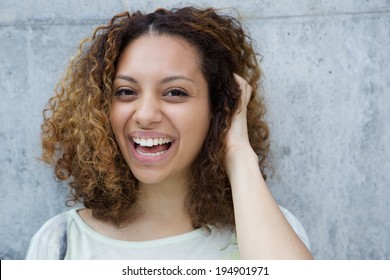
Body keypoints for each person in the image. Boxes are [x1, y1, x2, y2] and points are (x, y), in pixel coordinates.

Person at [26, 6, 313, 260]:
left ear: (218, 108)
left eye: (175, 92)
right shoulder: (59, 244)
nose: (146, 115)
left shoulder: (270, 230)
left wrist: (237, 151)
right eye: (126, 92)